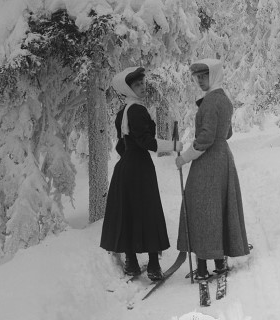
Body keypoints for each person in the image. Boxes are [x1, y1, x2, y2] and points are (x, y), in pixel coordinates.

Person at [100, 66, 182, 281]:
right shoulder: (137, 110)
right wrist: (173, 145)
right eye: (137, 84)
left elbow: (122, 143)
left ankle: (131, 262)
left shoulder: (123, 111)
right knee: (148, 211)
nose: (142, 87)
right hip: (140, 168)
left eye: (142, 83)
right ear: (128, 89)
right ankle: (153, 265)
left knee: (130, 211)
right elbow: (147, 143)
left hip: (126, 167)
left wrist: (128, 157)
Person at [175, 58, 250, 280]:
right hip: (223, 158)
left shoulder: (210, 102)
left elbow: (206, 138)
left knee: (202, 209)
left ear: (214, 75)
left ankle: (202, 268)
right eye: (197, 77)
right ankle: (219, 263)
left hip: (208, 162)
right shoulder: (224, 100)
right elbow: (227, 133)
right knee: (216, 208)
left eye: (204, 76)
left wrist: (185, 158)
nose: (200, 80)